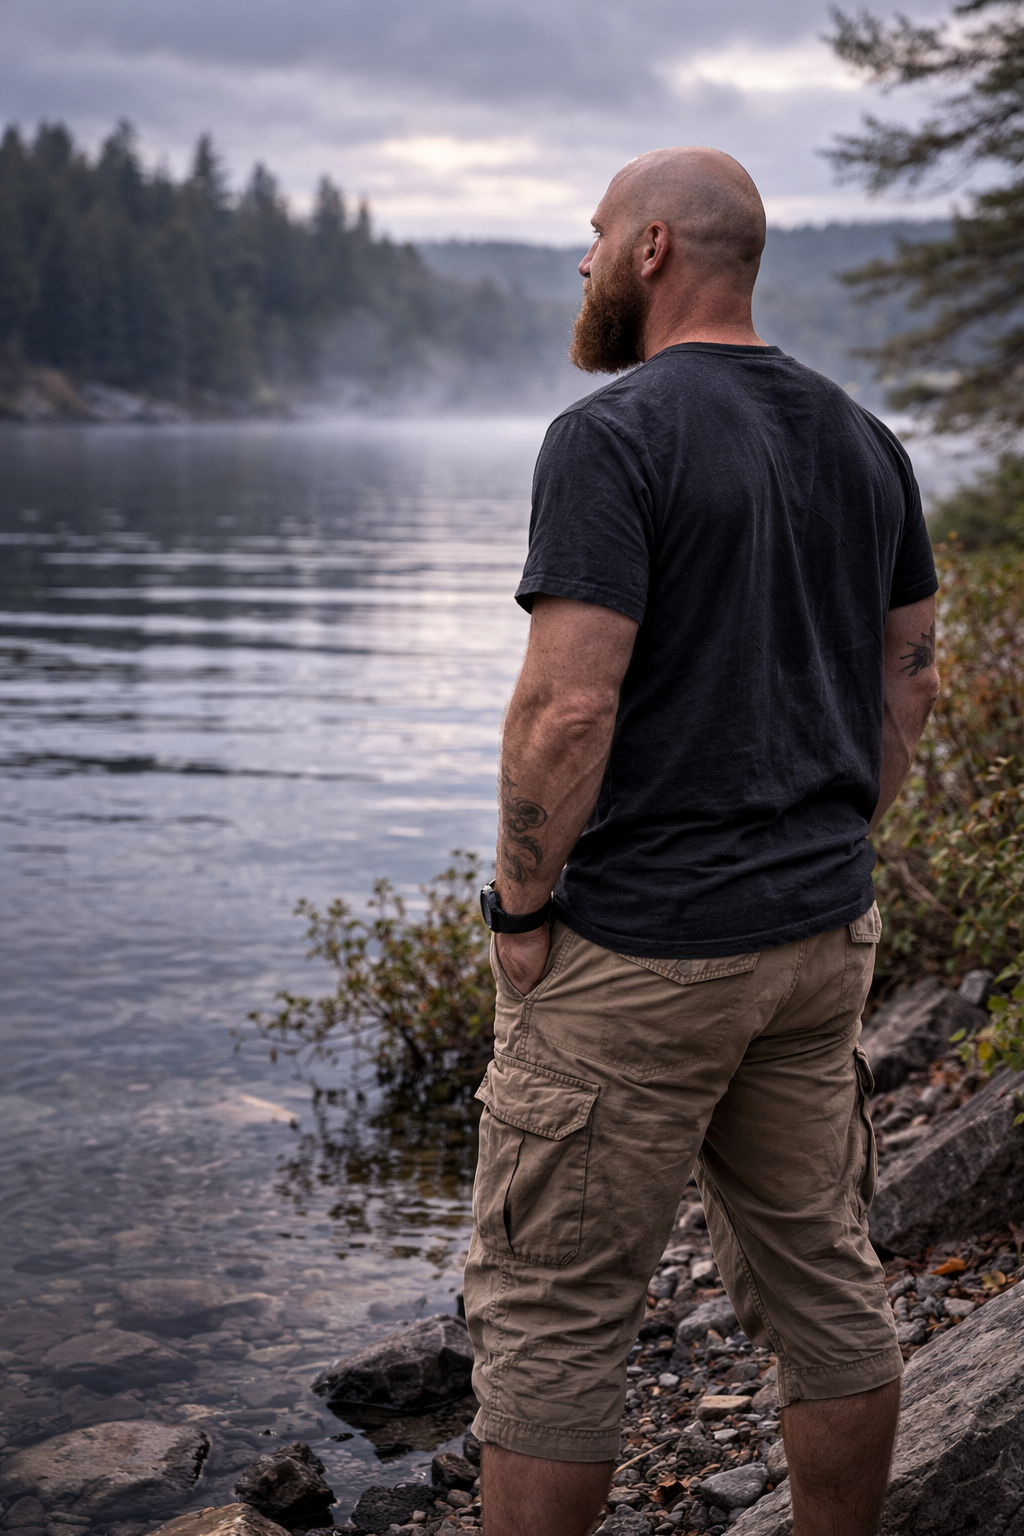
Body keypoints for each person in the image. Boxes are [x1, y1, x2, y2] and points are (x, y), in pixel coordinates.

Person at [464, 147, 940, 1536]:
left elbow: (568, 706)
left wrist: (519, 910)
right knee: (826, 1281)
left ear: (655, 247)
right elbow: (910, 668)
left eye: (596, 233)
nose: (583, 260)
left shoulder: (614, 436)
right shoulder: (863, 437)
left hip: (647, 949)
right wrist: (844, 820)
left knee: (553, 1315)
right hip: (814, 941)